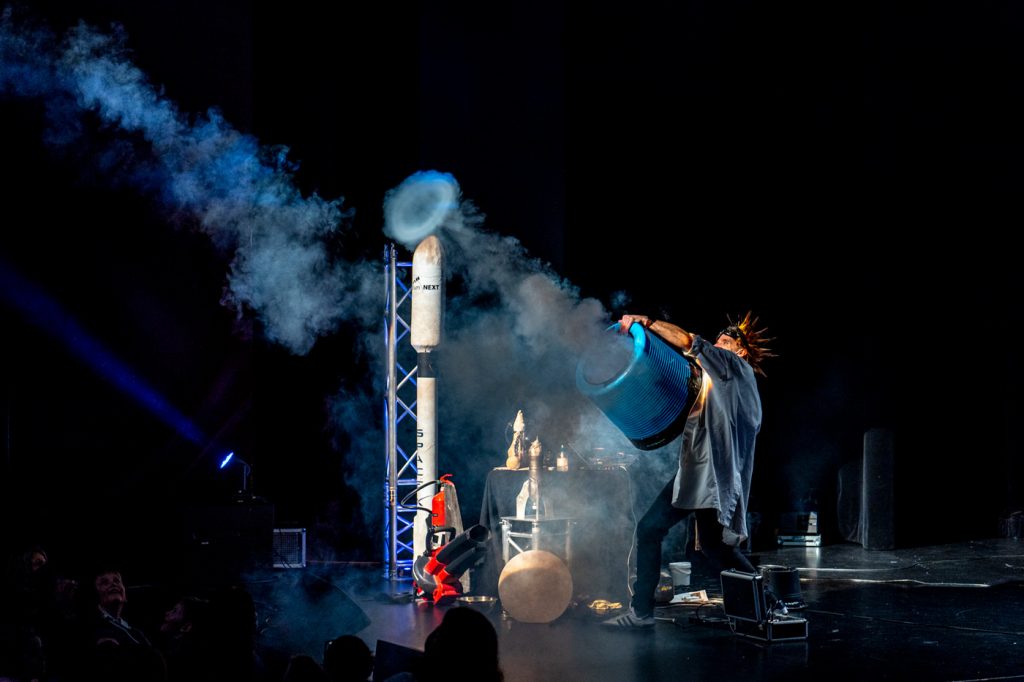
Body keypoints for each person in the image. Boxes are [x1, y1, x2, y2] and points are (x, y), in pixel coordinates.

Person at [602, 311, 774, 628]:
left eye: (724, 342)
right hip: (702, 473)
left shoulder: (734, 367)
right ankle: (771, 604)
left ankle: (641, 612)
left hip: (709, 475)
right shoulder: (724, 380)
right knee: (714, 547)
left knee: (651, 528)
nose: (717, 345)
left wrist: (647, 323)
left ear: (741, 351)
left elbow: (689, 341)